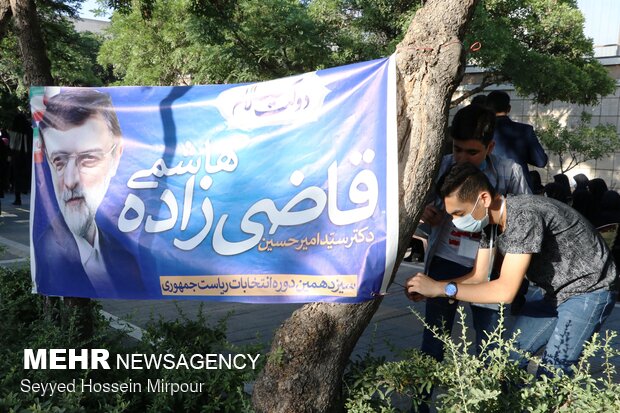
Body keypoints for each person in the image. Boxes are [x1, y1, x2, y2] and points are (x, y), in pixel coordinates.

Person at [406, 162, 618, 377]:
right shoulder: (490, 222)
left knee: (553, 373)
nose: (455, 221)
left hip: (589, 290)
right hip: (553, 294)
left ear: (484, 199)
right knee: (506, 362)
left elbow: (505, 291)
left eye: (459, 213)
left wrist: (442, 290)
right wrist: (431, 287)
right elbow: (480, 276)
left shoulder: (523, 216)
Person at [416, 104, 530, 364]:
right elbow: (420, 203)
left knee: (490, 343)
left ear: (489, 148)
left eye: (472, 152)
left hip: (492, 268)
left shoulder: (509, 172)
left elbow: (524, 220)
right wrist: (424, 211)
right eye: (457, 149)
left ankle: (486, 400)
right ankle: (420, 404)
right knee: (433, 341)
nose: (462, 158)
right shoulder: (442, 166)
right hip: (444, 261)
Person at [35, 89, 145, 298]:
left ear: (116, 156)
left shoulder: (124, 257)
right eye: (59, 161)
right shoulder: (47, 257)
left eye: (88, 159)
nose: (69, 181)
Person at [486, 91, 548, 191]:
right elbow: (541, 161)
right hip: (520, 189)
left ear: (487, 109)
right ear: (509, 108)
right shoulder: (525, 130)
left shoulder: (480, 132)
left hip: (488, 189)